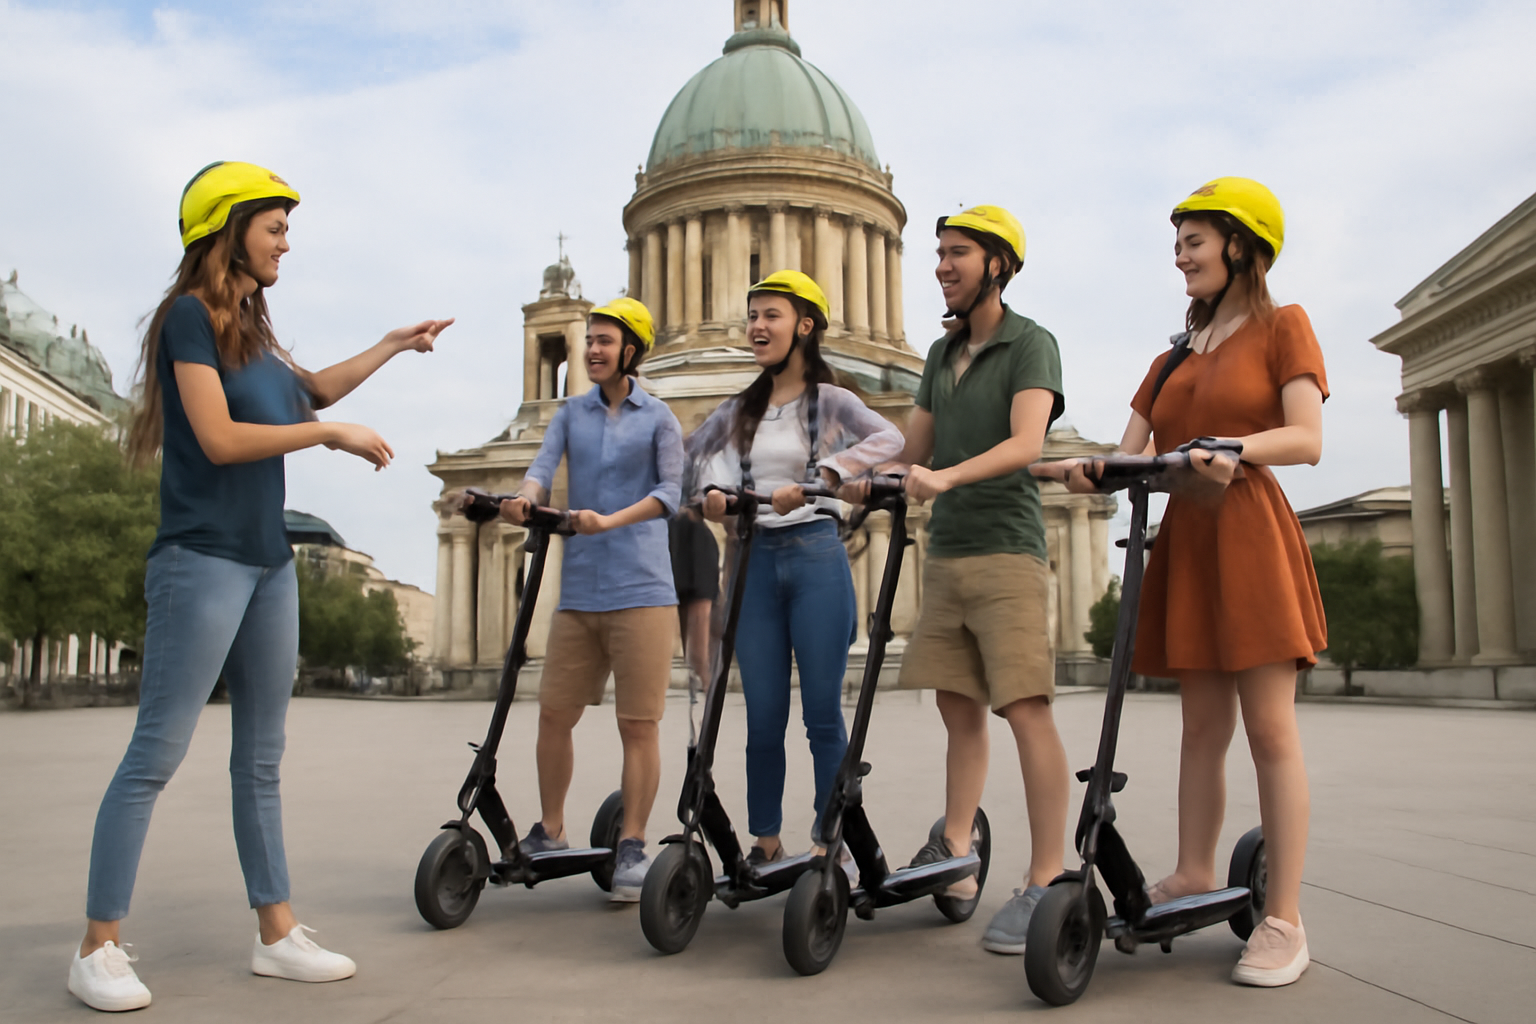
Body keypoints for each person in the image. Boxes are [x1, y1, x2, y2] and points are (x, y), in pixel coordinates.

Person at [71, 161, 453, 1012]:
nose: (287, 239)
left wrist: (393, 345)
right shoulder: (187, 320)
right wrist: (328, 436)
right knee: (155, 755)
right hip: (200, 558)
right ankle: (97, 945)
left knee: (262, 761)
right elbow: (214, 437)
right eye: (275, 224)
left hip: (267, 564)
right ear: (229, 227)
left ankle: (276, 933)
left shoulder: (255, 334)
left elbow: (312, 389)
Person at [1041, 177, 1325, 987]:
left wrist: (1231, 446)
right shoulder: (1171, 355)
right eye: (1179, 241)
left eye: (1194, 239)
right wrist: (1088, 470)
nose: (1182, 254)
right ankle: (1197, 870)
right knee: (1200, 728)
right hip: (1185, 544)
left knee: (1270, 729)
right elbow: (1135, 448)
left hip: (1248, 533)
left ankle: (1284, 919)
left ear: (1241, 245)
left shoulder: (1283, 326)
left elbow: (1305, 438)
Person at [889, 205, 1073, 956]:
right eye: (938, 253)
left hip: (1005, 548)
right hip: (950, 550)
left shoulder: (1033, 344)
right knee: (957, 708)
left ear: (997, 264)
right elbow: (910, 446)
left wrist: (944, 478)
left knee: (1024, 710)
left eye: (958, 252)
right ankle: (957, 852)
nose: (942, 265)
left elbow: (1028, 443)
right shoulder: (940, 353)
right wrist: (837, 471)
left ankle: (1047, 875)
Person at [689, 270, 903, 864]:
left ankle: (827, 837)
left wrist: (825, 476)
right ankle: (765, 840)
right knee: (761, 714)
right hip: (754, 560)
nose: (757, 326)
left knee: (820, 713)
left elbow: (890, 438)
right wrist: (712, 492)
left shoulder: (831, 400)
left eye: (771, 315)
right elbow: (697, 459)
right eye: (752, 316)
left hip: (813, 552)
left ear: (804, 326)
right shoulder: (738, 409)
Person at [499, 296, 683, 903]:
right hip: (580, 591)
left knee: (639, 723)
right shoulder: (569, 414)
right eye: (590, 341)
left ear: (630, 349)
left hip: (642, 590)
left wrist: (609, 521)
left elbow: (670, 492)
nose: (592, 350)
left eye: (604, 341)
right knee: (555, 713)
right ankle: (551, 829)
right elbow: (541, 466)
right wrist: (524, 498)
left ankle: (632, 842)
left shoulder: (659, 416)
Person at [668, 505, 720, 694]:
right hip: (670, 532)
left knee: (701, 606)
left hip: (698, 532)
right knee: (682, 602)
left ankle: (706, 676)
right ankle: (702, 674)